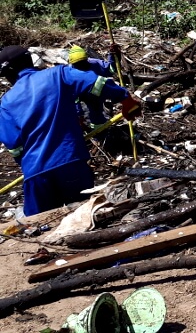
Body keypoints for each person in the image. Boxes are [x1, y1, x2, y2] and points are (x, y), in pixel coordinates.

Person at [0, 46, 142, 216]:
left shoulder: (6, 103)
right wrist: (125, 98)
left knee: (38, 227)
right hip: (71, 162)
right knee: (85, 218)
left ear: (8, 73)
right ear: (30, 60)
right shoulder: (58, 75)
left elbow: (14, 146)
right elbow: (97, 83)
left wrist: (32, 166)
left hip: (35, 174)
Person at [69, 45, 116, 128]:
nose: (82, 66)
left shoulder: (94, 63)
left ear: (86, 59)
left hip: (96, 92)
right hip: (82, 96)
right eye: (78, 65)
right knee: (87, 114)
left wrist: (112, 55)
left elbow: (110, 69)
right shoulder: (70, 73)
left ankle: (101, 125)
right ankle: (93, 128)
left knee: (96, 112)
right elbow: (74, 98)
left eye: (83, 63)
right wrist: (79, 114)